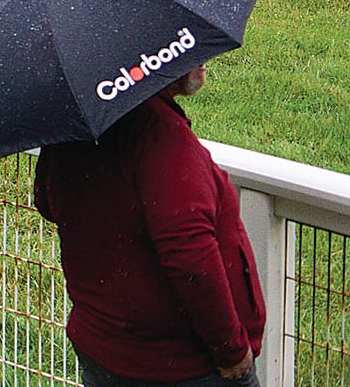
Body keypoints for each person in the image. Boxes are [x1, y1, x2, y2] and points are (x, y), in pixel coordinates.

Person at [34, 62, 264, 387]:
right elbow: (191, 258)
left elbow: (46, 200)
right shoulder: (161, 135)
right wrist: (231, 352)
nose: (201, 57)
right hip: (181, 369)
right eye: (183, 43)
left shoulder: (79, 121)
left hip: (104, 355)